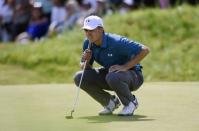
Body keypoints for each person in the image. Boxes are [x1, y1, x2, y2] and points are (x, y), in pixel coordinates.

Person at [74, 15, 150, 116]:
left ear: (101, 30)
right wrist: (86, 62)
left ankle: (130, 103)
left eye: (91, 30)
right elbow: (86, 68)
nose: (88, 33)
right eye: (86, 30)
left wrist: (125, 67)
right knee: (79, 77)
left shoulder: (117, 42)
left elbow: (145, 50)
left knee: (112, 76)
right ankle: (110, 103)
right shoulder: (88, 43)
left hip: (133, 76)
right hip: (111, 75)